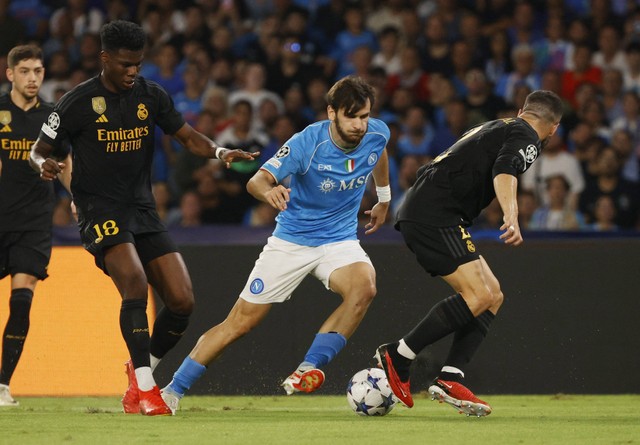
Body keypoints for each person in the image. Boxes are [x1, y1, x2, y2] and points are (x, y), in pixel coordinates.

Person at [29, 20, 257, 416]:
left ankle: (141, 371)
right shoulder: (77, 102)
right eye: (125, 64)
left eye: (138, 63)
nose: (133, 71)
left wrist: (220, 153)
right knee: (133, 283)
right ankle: (148, 391)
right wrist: (44, 164)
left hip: (142, 209)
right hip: (99, 209)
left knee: (183, 301)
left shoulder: (151, 95)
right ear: (104, 59)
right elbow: (38, 150)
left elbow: (186, 136)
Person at [160, 75, 391, 414]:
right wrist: (269, 191)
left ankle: (308, 368)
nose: (359, 125)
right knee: (239, 323)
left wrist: (383, 198)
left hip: (339, 239)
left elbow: (379, 155)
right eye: (351, 116)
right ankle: (172, 391)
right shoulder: (306, 143)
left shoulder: (377, 133)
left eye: (364, 116)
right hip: (292, 241)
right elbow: (257, 179)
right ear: (332, 113)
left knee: (364, 287)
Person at [375, 90, 564, 417]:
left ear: (521, 109)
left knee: (492, 295)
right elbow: (505, 170)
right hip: (435, 215)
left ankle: (450, 377)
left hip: (431, 210)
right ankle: (399, 355)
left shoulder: (497, 125)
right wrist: (511, 212)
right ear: (554, 128)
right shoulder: (528, 135)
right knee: (478, 295)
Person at [0, 45, 71, 407]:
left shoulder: (53, 117)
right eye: (25, 71)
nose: (32, 78)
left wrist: (78, 197)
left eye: (38, 71)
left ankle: (2, 386)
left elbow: (65, 160)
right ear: (10, 73)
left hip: (33, 223)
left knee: (22, 301)